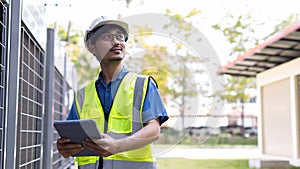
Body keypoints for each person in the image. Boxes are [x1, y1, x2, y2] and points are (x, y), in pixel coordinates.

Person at [56, 16, 169, 169]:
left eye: (120, 37)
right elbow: (72, 140)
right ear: (92, 47)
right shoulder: (82, 96)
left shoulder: (143, 85)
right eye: (107, 37)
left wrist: (117, 146)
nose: (116, 42)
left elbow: (154, 130)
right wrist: (65, 148)